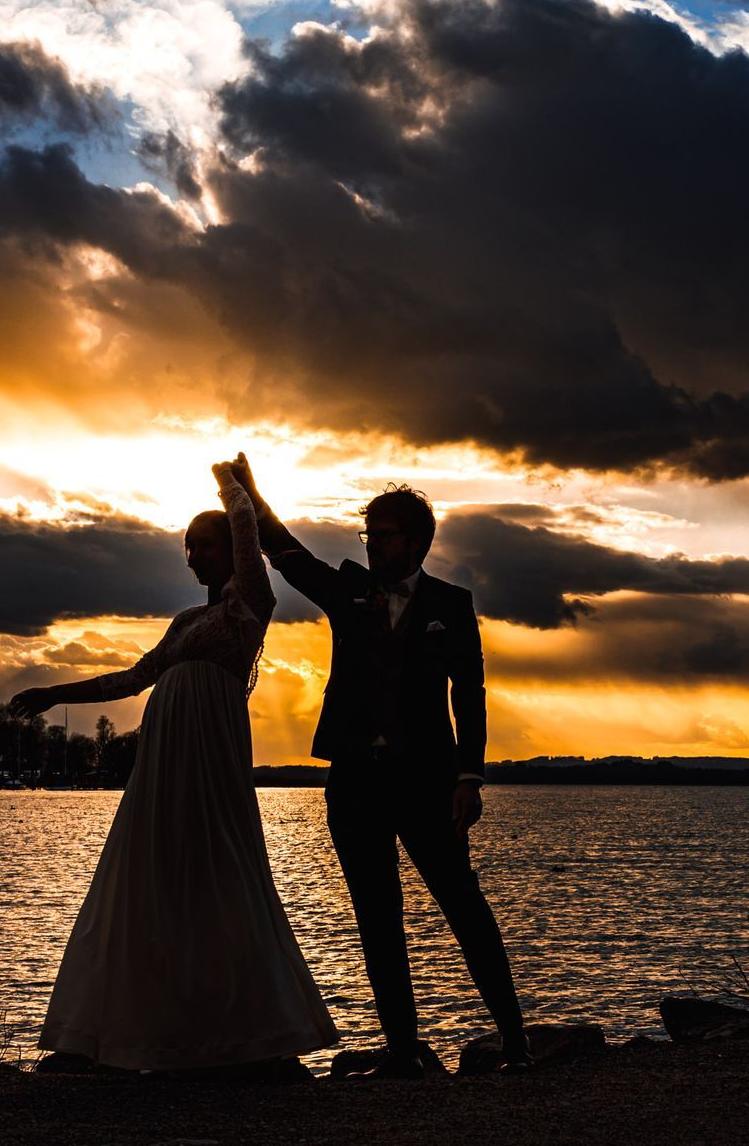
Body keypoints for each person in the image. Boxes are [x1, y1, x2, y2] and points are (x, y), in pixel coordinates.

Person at [9, 461, 337, 1073]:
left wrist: (235, 489)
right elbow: (133, 680)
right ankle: (112, 1037)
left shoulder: (251, 604)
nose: (192, 557)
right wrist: (59, 691)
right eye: (187, 548)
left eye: (202, 545)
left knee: (221, 872)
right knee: (145, 875)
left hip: (210, 759)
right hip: (163, 764)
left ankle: (255, 1041)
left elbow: (246, 532)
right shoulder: (185, 623)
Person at [228, 454, 533, 1077]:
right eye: (367, 534)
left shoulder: (452, 603)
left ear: (416, 541)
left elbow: (468, 695)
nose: (371, 545)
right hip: (355, 783)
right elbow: (288, 556)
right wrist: (250, 499)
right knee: (376, 913)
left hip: (429, 783)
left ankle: (516, 1042)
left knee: (463, 906)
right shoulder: (349, 591)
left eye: (382, 535)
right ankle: (403, 1051)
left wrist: (469, 778)